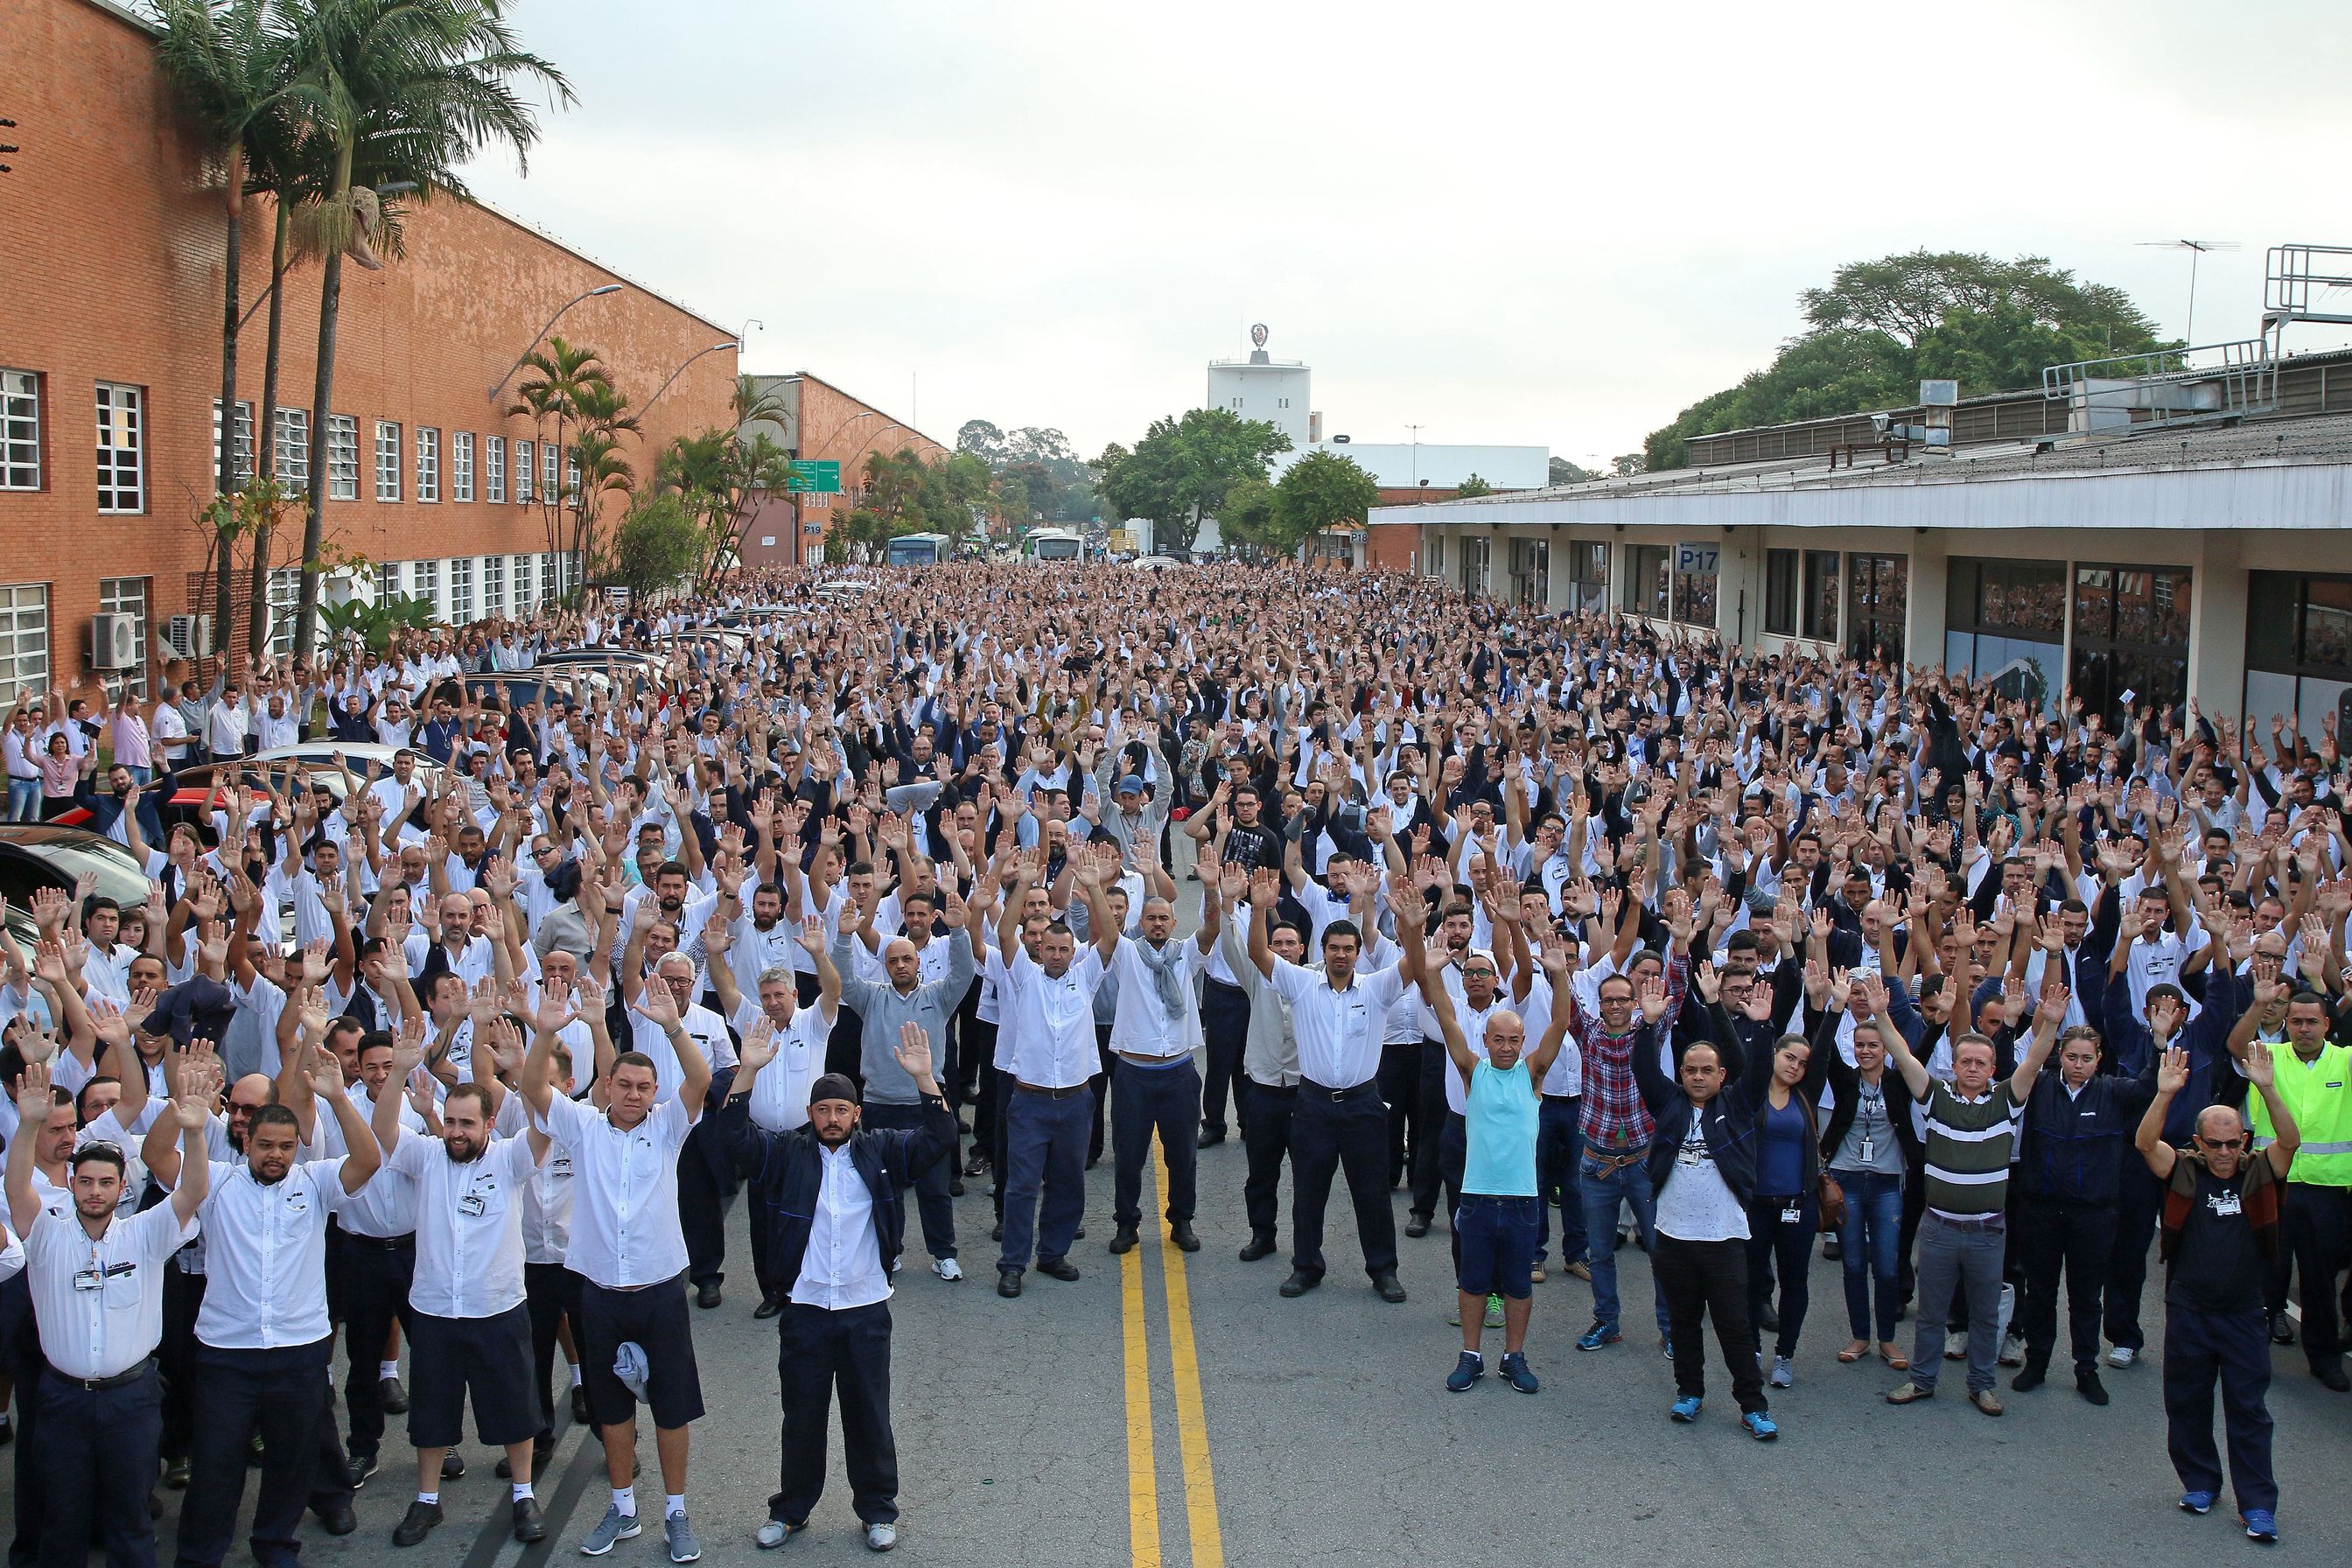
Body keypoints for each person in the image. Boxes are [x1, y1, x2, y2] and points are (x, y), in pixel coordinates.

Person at [150, 1038, 383, 1568]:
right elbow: (157, 1156)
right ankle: (201, 1553)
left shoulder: (317, 1183)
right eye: (265, 1145)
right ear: (247, 1143)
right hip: (226, 1354)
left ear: (297, 1146)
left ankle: (276, 1545)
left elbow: (368, 1159)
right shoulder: (215, 1183)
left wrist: (339, 1100)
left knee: (291, 1460)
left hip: (299, 1351)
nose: (275, 1155)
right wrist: (180, 1106)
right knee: (216, 1463)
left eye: (285, 1146)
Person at [724, 1018, 955, 1552]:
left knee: (869, 1414)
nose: (832, 1119)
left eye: (841, 1111)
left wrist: (926, 1081)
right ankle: (791, 1510)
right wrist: (748, 1071)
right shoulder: (785, 1154)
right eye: (823, 1110)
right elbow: (732, 1137)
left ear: (857, 1114)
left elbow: (940, 1137)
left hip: (865, 1309)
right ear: (810, 1115)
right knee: (801, 1416)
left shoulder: (882, 1152)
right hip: (805, 1310)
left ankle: (878, 1510)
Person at [520, 973, 712, 1563]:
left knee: (673, 1407)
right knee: (612, 1405)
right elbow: (531, 1085)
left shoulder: (668, 1128)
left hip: (658, 1290)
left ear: (656, 1092)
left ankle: (676, 1512)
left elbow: (701, 1079)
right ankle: (624, 1508)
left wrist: (674, 1027)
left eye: (643, 1087)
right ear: (606, 1086)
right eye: (624, 1084)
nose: (634, 1094)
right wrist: (546, 1029)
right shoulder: (581, 1127)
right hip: (599, 1293)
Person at [6, 1056, 206, 1568]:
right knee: (63, 1522)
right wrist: (28, 1124)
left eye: (106, 1183)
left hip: (131, 1402)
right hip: (62, 1400)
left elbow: (192, 1192)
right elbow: (15, 1188)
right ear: (72, 1184)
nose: (95, 1190)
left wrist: (196, 1131)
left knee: (131, 1521)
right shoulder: (46, 1234)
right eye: (86, 1181)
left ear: (122, 1189)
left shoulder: (144, 1234)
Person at [373, 1018, 553, 1548]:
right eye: (449, 1122)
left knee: (515, 1411)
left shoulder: (512, 1158)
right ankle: (427, 1502)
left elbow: (545, 1119)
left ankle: (524, 1495)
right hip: (434, 1311)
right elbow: (385, 1131)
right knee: (432, 1413)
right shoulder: (427, 1156)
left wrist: (520, 1068)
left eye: (466, 1124)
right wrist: (400, 1069)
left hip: (498, 1308)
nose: (455, 1132)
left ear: (490, 1123)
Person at [1404, 884, 1571, 1395]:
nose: (1504, 1045)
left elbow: (1561, 1021)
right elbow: (1446, 1016)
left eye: (1513, 1039)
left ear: (1523, 1042)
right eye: (1496, 1038)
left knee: (1519, 1286)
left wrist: (1558, 973)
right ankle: (1472, 1355)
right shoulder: (1472, 1070)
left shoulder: (1534, 1073)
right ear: (1485, 1041)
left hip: (1522, 1198)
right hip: (1476, 1196)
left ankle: (1513, 1358)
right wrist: (1431, 968)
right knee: (1473, 1282)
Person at [1879, 973, 2062, 1414]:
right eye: (1966, 1062)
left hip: (1986, 1232)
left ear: (1993, 1068)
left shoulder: (2007, 1100)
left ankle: (1981, 1384)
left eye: (1982, 1062)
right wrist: (1883, 1017)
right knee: (1930, 1312)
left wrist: (2050, 1025)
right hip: (1939, 1228)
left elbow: (2034, 1063)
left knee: (1984, 1314)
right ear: (1954, 1066)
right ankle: (1922, 1380)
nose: (1974, 1068)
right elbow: (1903, 1057)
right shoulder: (1934, 1097)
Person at [2138, 1041, 2298, 1544]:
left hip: (2244, 1313)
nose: (2225, 1153)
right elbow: (2146, 1144)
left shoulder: (2260, 1171)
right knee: (2186, 1402)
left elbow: (2290, 1141)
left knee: (2248, 1410)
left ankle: (2257, 1505)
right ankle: (2201, 1483)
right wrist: (2163, 1095)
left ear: (2245, 1141)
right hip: (2189, 1309)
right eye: (2215, 1144)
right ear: (2199, 1143)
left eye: (2233, 1143)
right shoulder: (2184, 1169)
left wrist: (2267, 1088)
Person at [1626, 968, 1778, 1439]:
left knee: (1735, 1328)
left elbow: (1755, 1068)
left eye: (1706, 1070)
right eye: (1690, 1070)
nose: (1696, 1076)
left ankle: (1752, 1405)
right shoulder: (1669, 1103)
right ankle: (1689, 1391)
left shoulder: (1737, 1105)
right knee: (1684, 1324)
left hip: (1725, 1239)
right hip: (1673, 1236)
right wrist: (1648, 1025)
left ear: (1721, 1076)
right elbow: (1644, 1069)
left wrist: (1726, 1011)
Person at [1246, 867, 1409, 1304]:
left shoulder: (1377, 989)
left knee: (1372, 1193)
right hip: (1314, 1105)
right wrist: (1261, 909)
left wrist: (1409, 923)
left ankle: (1383, 1270)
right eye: (1334, 948)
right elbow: (1260, 955)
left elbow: (1412, 965)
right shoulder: (1300, 984)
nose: (1341, 955)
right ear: (1321, 951)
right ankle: (1307, 1267)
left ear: (1358, 953)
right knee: (1309, 1192)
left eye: (1348, 949)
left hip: (1363, 1106)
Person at [828, 884, 974, 1284]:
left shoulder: (939, 997)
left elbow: (963, 973)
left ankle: (943, 1254)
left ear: (919, 963)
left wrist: (959, 931)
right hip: (880, 1106)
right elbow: (842, 976)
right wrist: (843, 937)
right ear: (886, 966)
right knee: (884, 1188)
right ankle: (888, 1252)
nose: (901, 966)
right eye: (893, 961)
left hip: (928, 1105)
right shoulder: (871, 998)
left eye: (907, 959)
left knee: (935, 1188)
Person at [2012, 1019, 2160, 1405]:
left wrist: (2159, 1043)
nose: (2079, 1064)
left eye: (2087, 1058)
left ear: (2099, 1060)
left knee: (2086, 1296)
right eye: (2072, 1056)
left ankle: (2086, 1368)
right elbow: (2008, 1068)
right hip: (2041, 1210)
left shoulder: (2113, 1092)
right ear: (2060, 1055)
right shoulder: (2040, 1086)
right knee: (2040, 1292)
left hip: (2094, 1215)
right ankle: (2037, 1362)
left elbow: (2150, 1087)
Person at [988, 851, 1111, 1298]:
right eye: (1049, 948)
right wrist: (1022, 884)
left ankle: (1054, 1253)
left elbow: (1110, 938)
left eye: (1064, 948)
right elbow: (1005, 932)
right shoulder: (1024, 976)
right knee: (1021, 1186)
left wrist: (1095, 887)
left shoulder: (1086, 977)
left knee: (1068, 1181)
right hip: (1031, 1101)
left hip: (1076, 1100)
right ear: (1037, 949)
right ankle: (1013, 1263)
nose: (1056, 954)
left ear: (1073, 951)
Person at [1093, 844, 1220, 1257]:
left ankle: (1181, 1221)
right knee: (1129, 1157)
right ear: (1140, 923)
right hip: (1134, 1073)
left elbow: (1213, 928)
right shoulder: (1127, 953)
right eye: (1151, 918)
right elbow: (1107, 933)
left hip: (1179, 1072)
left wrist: (1213, 889)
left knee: (1182, 1155)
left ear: (1174, 921)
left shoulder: (1186, 954)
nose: (1159, 924)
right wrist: (1095, 886)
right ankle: (1126, 1224)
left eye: (1165, 917)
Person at [2227, 972, 2352, 1393]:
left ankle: (2323, 1358)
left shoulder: (2345, 1061)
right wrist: (2258, 1005)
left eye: (2311, 1022)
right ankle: (2252, 1352)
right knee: (2267, 1275)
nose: (2302, 1029)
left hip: (2326, 1192)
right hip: (2272, 1183)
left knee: (2318, 1281)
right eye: (2295, 1021)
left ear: (2326, 1025)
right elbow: (2234, 1046)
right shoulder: (2269, 1056)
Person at [1215, 864, 1301, 1263]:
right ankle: (1262, 1234)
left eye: (1290, 944)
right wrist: (1231, 903)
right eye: (1276, 943)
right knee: (1261, 1174)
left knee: (1307, 1176)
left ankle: (1306, 1242)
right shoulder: (1257, 979)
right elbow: (1234, 947)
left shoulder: (1316, 983)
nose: (1282, 949)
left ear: (1302, 950)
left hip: (1305, 1096)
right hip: (1263, 1093)